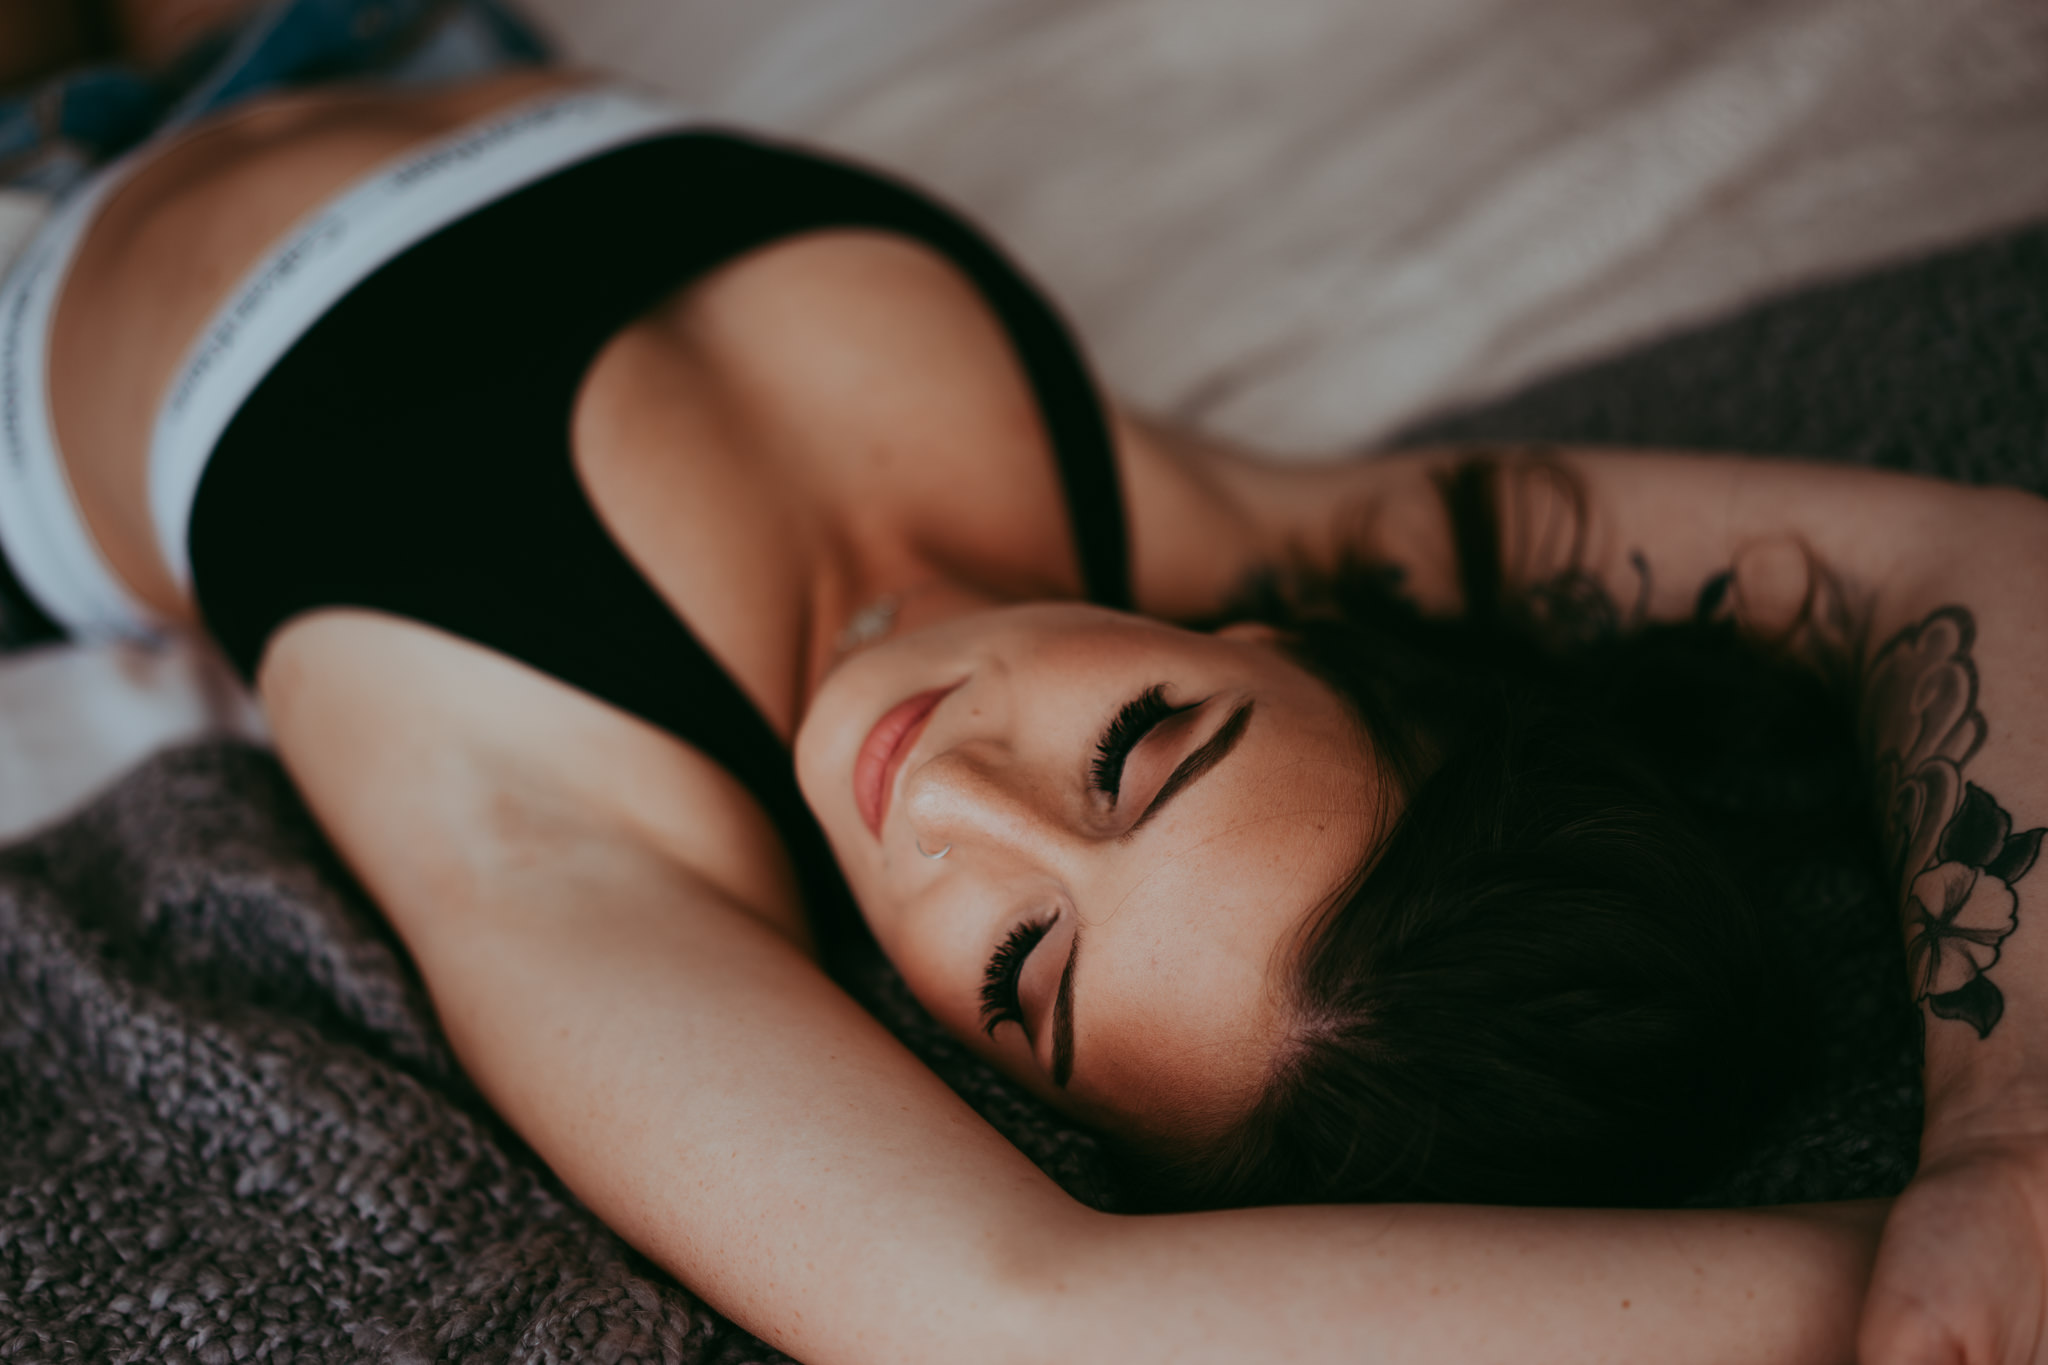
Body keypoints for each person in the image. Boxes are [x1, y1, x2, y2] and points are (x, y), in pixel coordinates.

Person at [0, 4, 2043, 1361]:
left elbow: (1021, 1308)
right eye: (1140, 750)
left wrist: (1909, 1298)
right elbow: (1960, 560)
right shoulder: (1217, 519)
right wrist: (2008, 1152)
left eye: (1019, 973)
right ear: (1297, 653)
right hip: (410, 41)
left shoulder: (563, 827)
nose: (948, 798)